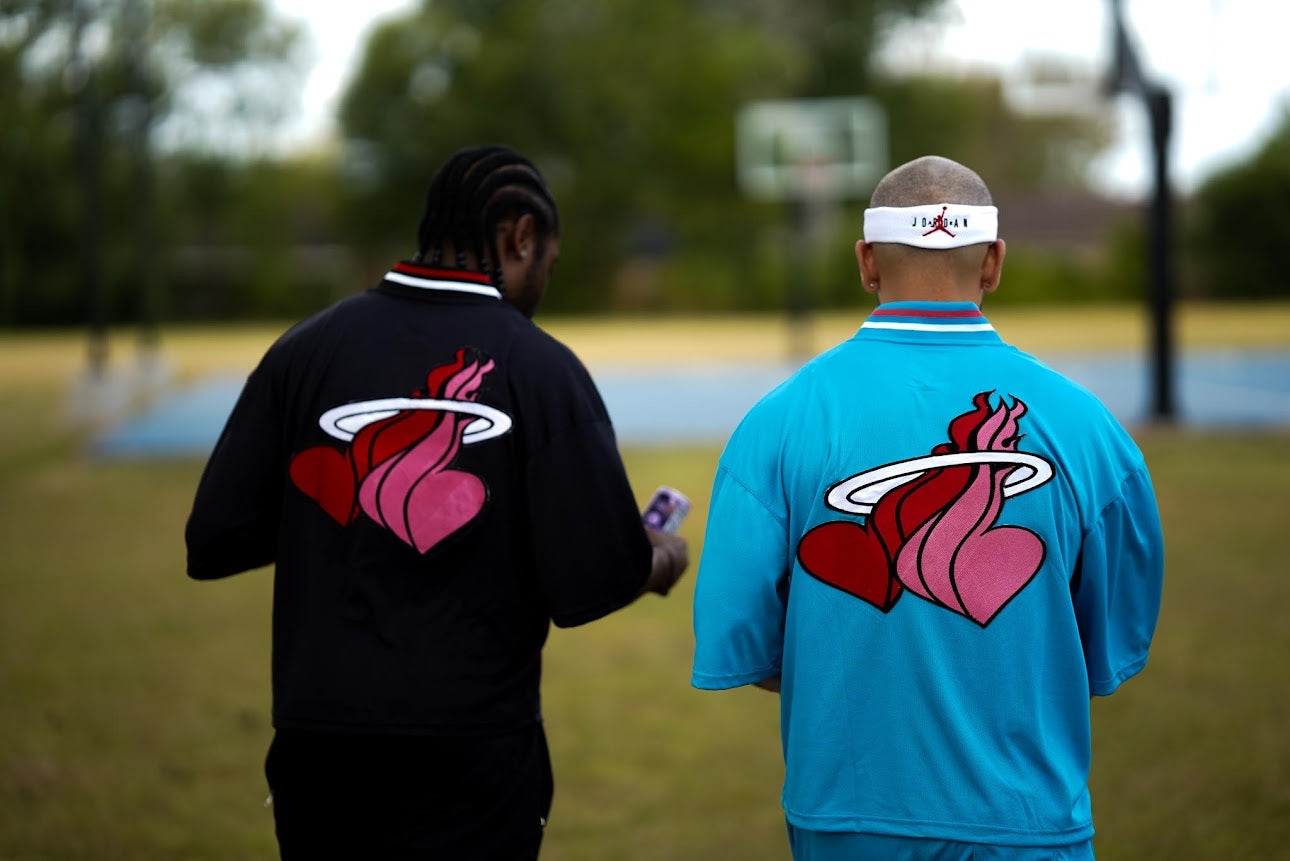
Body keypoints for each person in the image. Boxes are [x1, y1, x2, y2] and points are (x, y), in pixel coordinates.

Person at [186, 144, 689, 860]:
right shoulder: (541, 370)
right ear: (520, 237)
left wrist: (350, 511)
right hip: (472, 750)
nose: (545, 277)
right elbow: (593, 582)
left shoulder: (303, 352)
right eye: (547, 258)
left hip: (319, 742)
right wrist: (660, 554)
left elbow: (215, 537)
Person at [690, 155, 1163, 861]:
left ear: (866, 262)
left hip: (847, 821)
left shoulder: (777, 423)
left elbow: (746, 638)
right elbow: (1106, 645)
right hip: (1029, 822)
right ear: (995, 261)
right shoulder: (1091, 430)